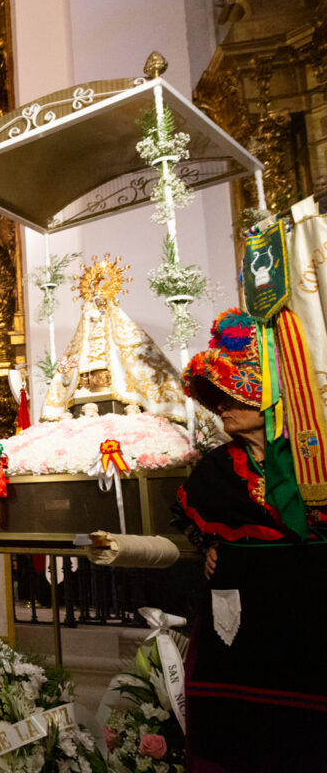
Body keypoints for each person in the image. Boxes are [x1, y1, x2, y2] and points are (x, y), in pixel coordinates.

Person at [172, 309, 326, 772]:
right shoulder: (216, 468)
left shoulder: (315, 458)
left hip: (309, 623)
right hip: (240, 633)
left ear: (268, 396)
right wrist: (211, 547)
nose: (221, 406)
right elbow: (191, 518)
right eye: (215, 398)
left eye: (230, 395)